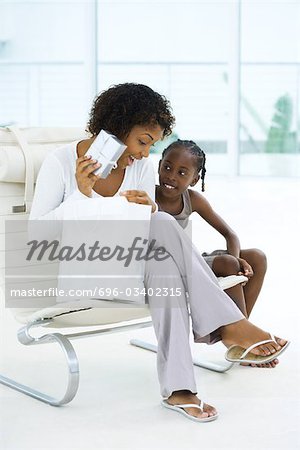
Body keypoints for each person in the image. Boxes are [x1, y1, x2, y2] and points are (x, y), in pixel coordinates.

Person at [29, 83, 289, 423]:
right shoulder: (61, 162)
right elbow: (37, 240)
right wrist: (81, 196)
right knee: (162, 226)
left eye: (151, 144)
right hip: (78, 272)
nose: (143, 153)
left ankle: (180, 389)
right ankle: (228, 326)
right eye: (142, 141)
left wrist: (146, 211)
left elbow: (137, 229)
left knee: (161, 239)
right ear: (117, 127)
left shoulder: (139, 167)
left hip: (130, 267)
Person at [155, 139, 274, 368]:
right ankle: (240, 340)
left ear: (194, 179)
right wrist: (232, 261)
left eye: (182, 172)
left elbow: (230, 234)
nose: (171, 176)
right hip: (170, 267)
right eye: (167, 167)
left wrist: (238, 259)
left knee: (257, 258)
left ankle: (242, 333)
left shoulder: (193, 199)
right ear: (159, 165)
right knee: (229, 263)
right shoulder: (148, 195)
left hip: (193, 261)